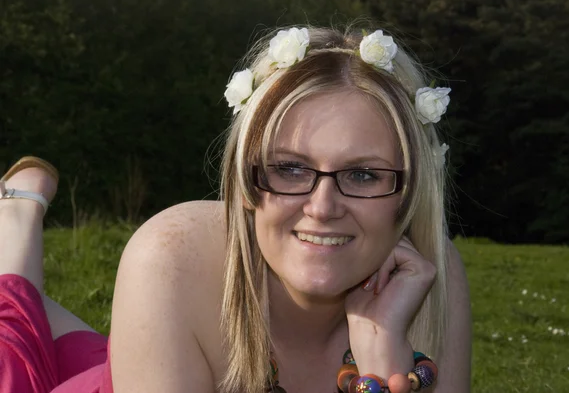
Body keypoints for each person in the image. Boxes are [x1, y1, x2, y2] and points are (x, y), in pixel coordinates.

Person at [0, 25, 471, 393]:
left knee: (67, 343)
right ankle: (19, 219)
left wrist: (384, 360)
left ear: (409, 195)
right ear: (245, 180)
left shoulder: (429, 276)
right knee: (14, 346)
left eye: (363, 175)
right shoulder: (171, 257)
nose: (323, 206)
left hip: (143, 366)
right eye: (289, 168)